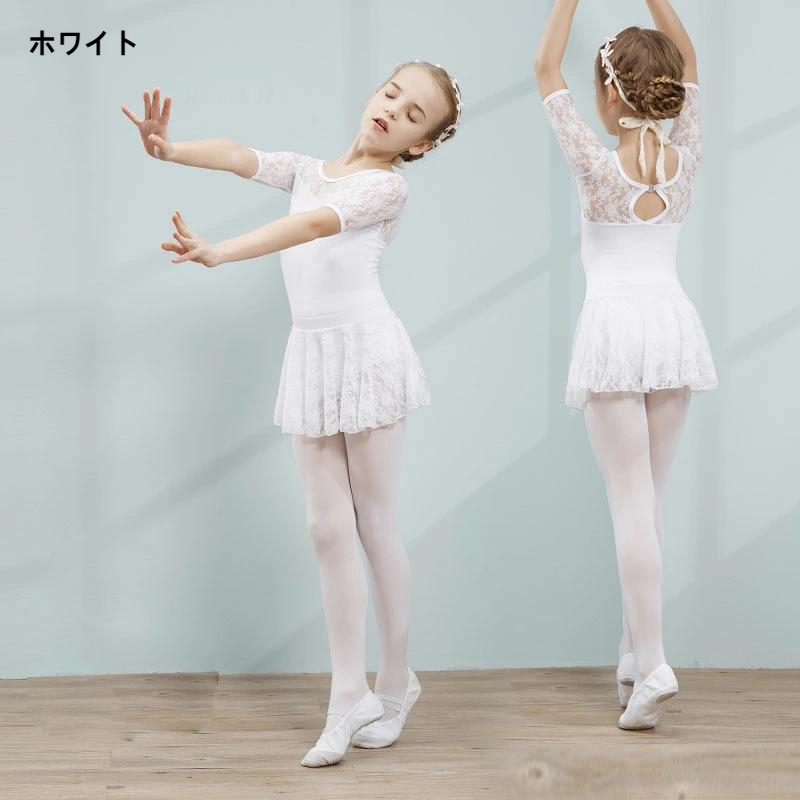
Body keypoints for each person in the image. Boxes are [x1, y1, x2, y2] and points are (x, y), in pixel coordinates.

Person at [121, 58, 462, 764]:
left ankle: (396, 681)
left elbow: (310, 227)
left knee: (375, 524)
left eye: (412, 115)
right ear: (374, 91)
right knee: (325, 528)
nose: (392, 110)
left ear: (421, 143)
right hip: (312, 356)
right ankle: (348, 694)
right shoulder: (309, 168)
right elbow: (242, 156)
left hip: (367, 355)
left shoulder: (385, 187)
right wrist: (171, 150)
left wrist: (221, 251)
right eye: (391, 93)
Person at [533, 0, 718, 730]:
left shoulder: (595, 164)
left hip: (615, 329)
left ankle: (657, 661)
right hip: (671, 327)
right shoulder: (687, 155)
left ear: (610, 93)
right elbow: (690, 59)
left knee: (629, 507)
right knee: (652, 503)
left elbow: (544, 67)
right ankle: (634, 654)